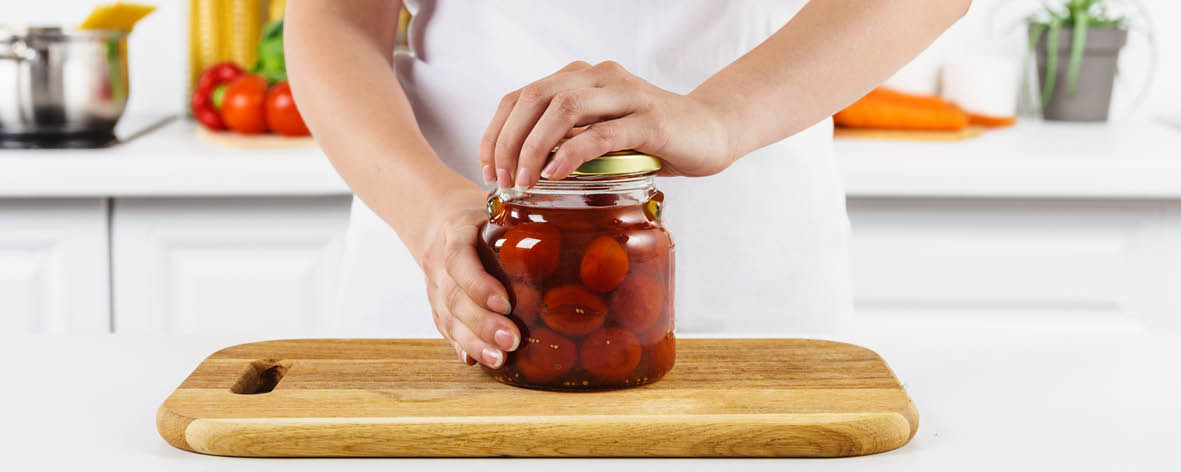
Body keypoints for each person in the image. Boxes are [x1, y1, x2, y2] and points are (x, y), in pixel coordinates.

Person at [285, 0, 970, 368]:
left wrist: (720, 116)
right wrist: (427, 212)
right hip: (442, 255)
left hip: (748, 280)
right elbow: (331, 12)